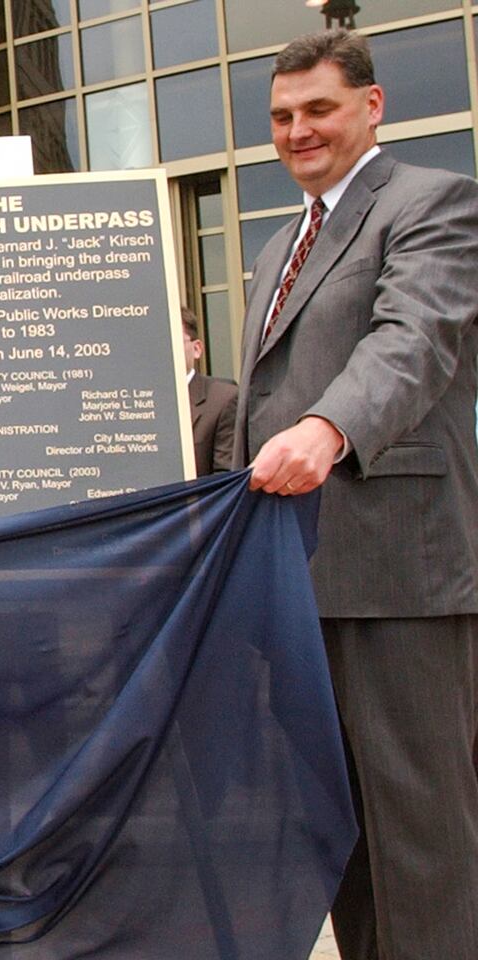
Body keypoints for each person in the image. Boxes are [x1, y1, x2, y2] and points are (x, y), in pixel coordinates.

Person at [237, 29, 478, 959]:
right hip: (296, 585)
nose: (298, 131)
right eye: (282, 117)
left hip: (402, 579)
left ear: (371, 107)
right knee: (342, 840)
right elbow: (262, 407)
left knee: (423, 840)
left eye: (319, 110)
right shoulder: (275, 248)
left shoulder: (433, 205)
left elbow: (409, 344)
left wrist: (330, 430)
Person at [180, 309, 237, 476]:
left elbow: (224, 480)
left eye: (172, 340)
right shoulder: (134, 401)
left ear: (197, 349)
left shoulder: (223, 399)